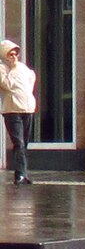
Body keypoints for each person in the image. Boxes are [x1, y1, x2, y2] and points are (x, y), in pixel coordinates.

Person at [0, 39, 36, 185]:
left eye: (16, 54)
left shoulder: (22, 68)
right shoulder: (3, 69)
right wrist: (12, 69)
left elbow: (31, 78)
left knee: (24, 143)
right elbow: (7, 85)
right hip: (12, 111)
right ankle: (20, 175)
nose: (14, 57)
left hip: (27, 108)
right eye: (11, 54)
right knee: (18, 142)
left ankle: (22, 173)